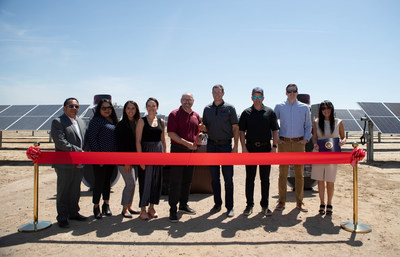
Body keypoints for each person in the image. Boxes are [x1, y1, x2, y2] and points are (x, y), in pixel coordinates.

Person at [239, 87, 279, 217]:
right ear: (251, 98)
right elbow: (241, 132)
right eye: (254, 97)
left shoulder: (270, 112)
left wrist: (274, 147)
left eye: (259, 96)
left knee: (265, 179)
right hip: (250, 149)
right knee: (250, 178)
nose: (257, 99)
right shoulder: (246, 113)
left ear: (263, 98)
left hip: (266, 149)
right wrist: (244, 148)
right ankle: (249, 205)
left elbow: (275, 131)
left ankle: (265, 206)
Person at [274, 84, 312, 212]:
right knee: (283, 174)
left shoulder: (304, 108)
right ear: (286, 93)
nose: (292, 93)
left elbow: (308, 125)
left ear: (297, 93)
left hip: (298, 143)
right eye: (289, 91)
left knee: (299, 174)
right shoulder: (279, 107)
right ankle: (281, 201)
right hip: (283, 143)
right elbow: (273, 124)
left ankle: (299, 202)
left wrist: (306, 139)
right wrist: (276, 138)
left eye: (294, 91)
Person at [202, 84, 239, 217]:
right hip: (211, 146)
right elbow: (204, 128)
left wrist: (235, 147)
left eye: (219, 92)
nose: (216, 94)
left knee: (228, 178)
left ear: (223, 93)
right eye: (214, 92)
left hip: (226, 146)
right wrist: (202, 128)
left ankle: (230, 207)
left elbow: (235, 128)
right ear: (212, 94)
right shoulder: (207, 109)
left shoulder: (230, 108)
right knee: (214, 178)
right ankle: (217, 204)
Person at [51, 97, 88, 228]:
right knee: (63, 190)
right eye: (71, 106)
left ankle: (73, 213)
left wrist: (85, 153)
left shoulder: (81, 122)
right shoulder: (58, 121)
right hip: (64, 164)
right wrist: (79, 151)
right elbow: (60, 142)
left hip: (79, 163)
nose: (74, 108)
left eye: (76, 106)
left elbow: (85, 140)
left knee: (75, 190)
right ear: (64, 108)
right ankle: (62, 217)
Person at [167, 93, 202, 223]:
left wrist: (199, 136)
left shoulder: (196, 116)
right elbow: (171, 133)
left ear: (193, 101)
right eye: (185, 99)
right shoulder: (174, 114)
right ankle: (172, 209)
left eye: (189, 100)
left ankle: (183, 205)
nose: (187, 102)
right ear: (181, 100)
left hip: (192, 152)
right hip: (178, 151)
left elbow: (197, 133)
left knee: (187, 179)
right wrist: (187, 144)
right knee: (175, 181)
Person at [311, 100, 346, 215]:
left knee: (330, 180)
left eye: (328, 108)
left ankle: (329, 203)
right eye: (323, 108)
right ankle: (322, 203)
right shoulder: (317, 122)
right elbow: (315, 137)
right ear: (321, 110)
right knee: (320, 180)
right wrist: (315, 144)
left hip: (332, 155)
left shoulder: (338, 122)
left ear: (332, 109)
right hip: (319, 153)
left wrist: (342, 142)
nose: (326, 110)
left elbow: (343, 137)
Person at [136, 97, 166, 220]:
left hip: (158, 153)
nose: (151, 108)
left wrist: (164, 156)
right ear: (146, 107)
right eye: (149, 105)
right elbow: (137, 141)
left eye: (153, 105)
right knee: (145, 181)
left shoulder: (161, 121)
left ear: (157, 107)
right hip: (146, 152)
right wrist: (140, 159)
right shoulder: (141, 121)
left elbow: (163, 140)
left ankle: (152, 207)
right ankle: (143, 208)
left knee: (156, 181)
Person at [87, 98, 118, 219]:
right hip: (99, 158)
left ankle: (106, 205)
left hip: (111, 158)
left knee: (107, 182)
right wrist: (99, 157)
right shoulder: (95, 121)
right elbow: (92, 140)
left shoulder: (114, 121)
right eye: (103, 108)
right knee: (99, 182)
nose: (107, 110)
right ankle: (96, 206)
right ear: (99, 109)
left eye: (109, 108)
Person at [115, 100, 141, 218]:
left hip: (135, 158)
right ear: (125, 110)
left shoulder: (138, 123)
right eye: (128, 108)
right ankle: (124, 208)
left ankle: (130, 206)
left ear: (136, 110)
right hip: (124, 160)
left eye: (133, 108)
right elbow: (120, 145)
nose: (131, 110)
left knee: (133, 184)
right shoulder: (121, 125)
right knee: (129, 183)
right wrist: (126, 161)